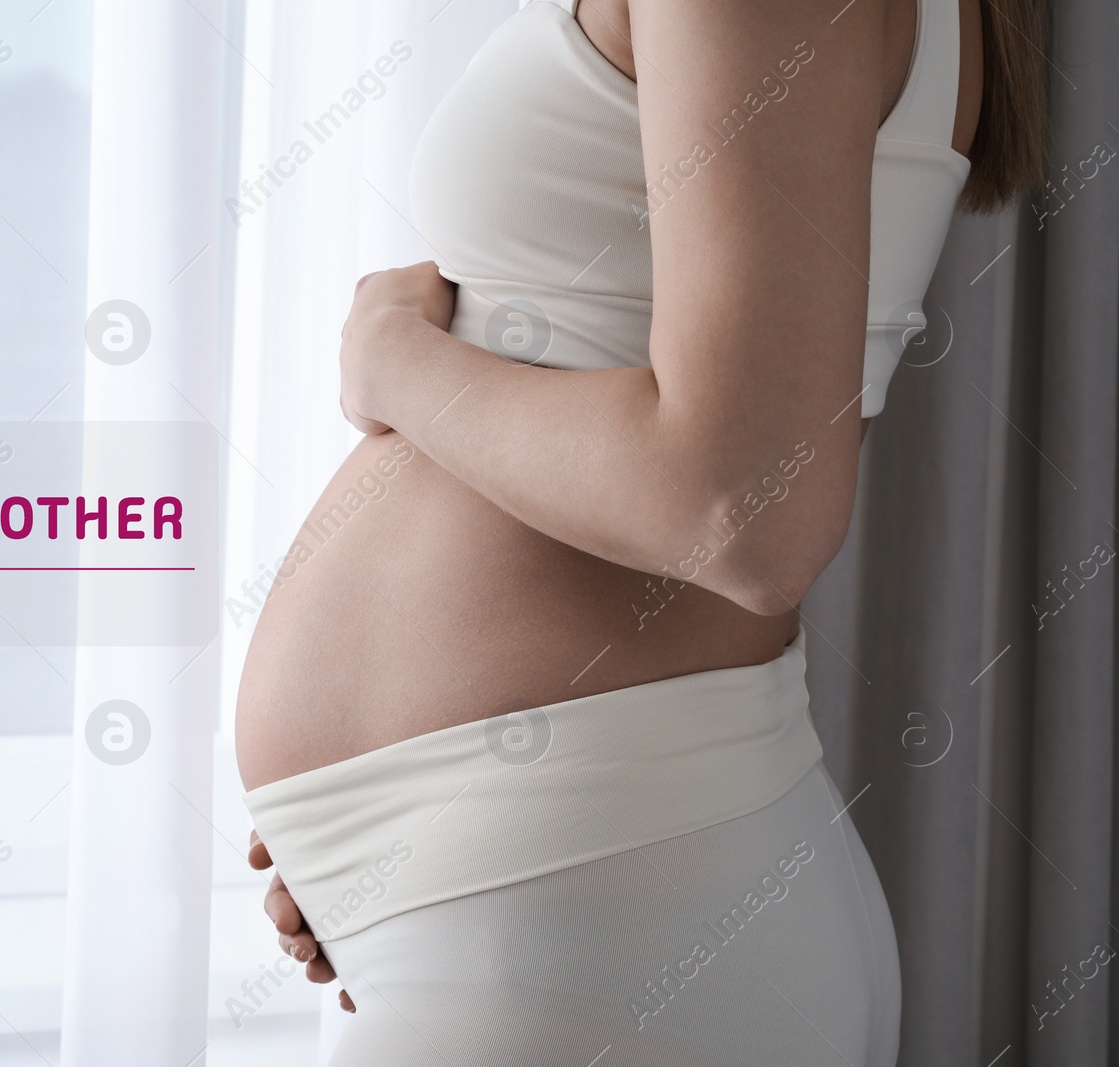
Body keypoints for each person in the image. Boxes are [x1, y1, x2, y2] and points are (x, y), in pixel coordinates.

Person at [236, 0, 1046, 1061]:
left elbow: (745, 513)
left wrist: (391, 357)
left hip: (591, 909)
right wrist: (380, 839)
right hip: (563, 897)